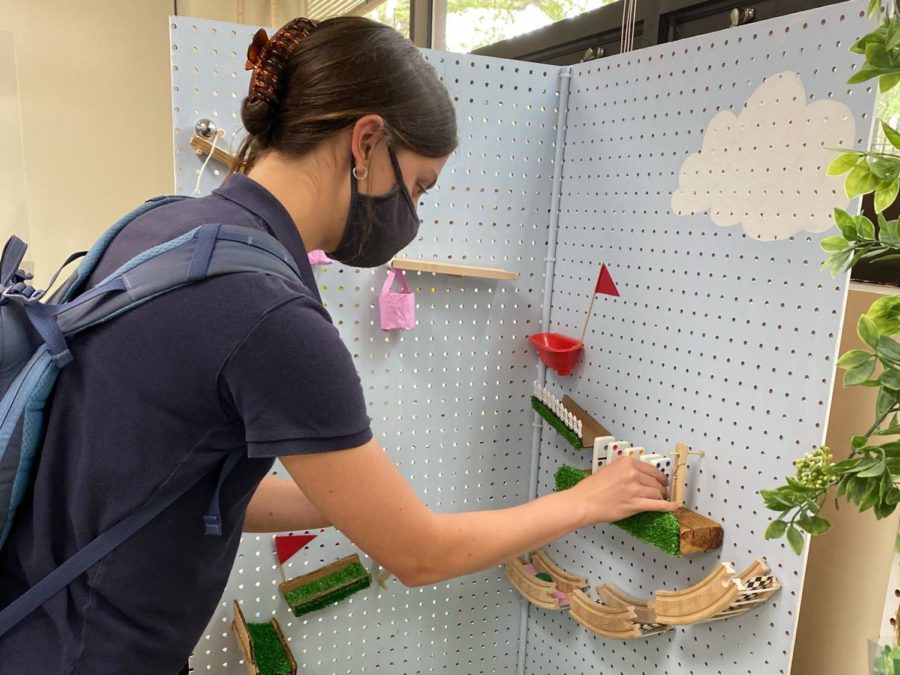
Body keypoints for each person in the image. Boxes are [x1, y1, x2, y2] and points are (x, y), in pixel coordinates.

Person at [0, 16, 676, 674]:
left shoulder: (159, 227)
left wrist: (339, 499)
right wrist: (588, 498)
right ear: (366, 143)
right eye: (418, 186)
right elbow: (420, 556)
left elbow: (170, 478)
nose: (412, 211)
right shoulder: (272, 316)